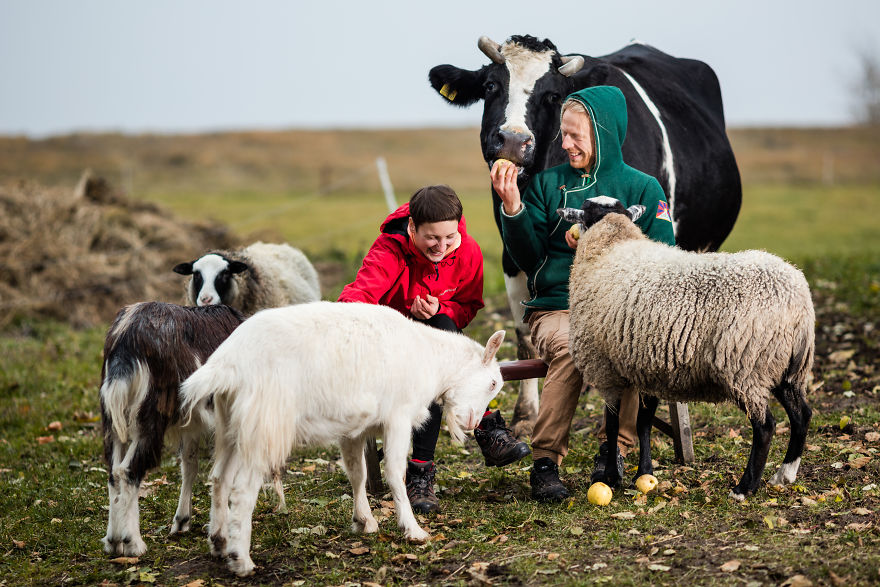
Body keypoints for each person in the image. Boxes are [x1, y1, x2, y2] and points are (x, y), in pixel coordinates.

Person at [490, 86, 676, 501]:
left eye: (576, 136)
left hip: (620, 307)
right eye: (563, 134)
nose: (565, 144)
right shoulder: (545, 183)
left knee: (626, 346)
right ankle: (545, 462)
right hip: (558, 306)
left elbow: (666, 256)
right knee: (575, 348)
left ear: (604, 133)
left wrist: (610, 242)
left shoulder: (644, 188)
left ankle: (616, 449)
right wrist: (513, 206)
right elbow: (528, 255)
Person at [338, 184, 530, 513]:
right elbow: (356, 301)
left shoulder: (468, 251)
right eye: (431, 238)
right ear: (412, 227)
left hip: (438, 343)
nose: (441, 246)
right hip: (390, 348)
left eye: (449, 238)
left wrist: (442, 309)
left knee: (441, 330)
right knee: (434, 361)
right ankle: (480, 432)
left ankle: (424, 468)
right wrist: (401, 315)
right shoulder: (389, 250)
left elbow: (468, 306)